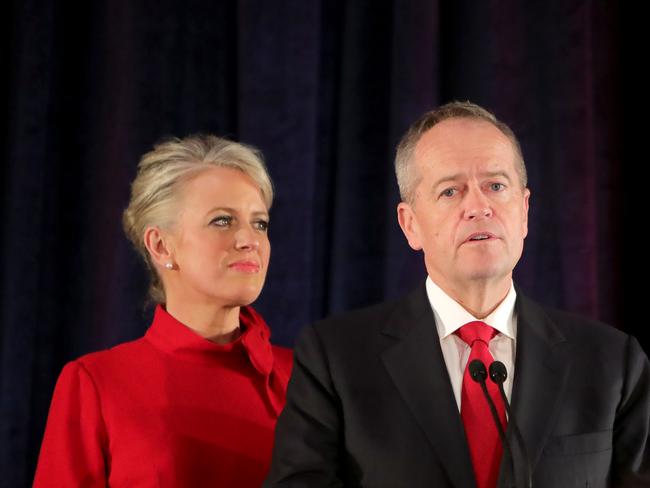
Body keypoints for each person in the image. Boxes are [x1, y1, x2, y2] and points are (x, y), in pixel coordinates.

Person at [265, 101, 650, 487]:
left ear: (524, 211)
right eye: (451, 191)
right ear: (410, 224)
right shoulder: (335, 360)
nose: (478, 207)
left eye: (496, 186)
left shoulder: (613, 363)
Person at [34, 135, 293, 487]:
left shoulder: (306, 378)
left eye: (259, 223)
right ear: (160, 245)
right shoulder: (96, 383)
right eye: (222, 221)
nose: (250, 240)